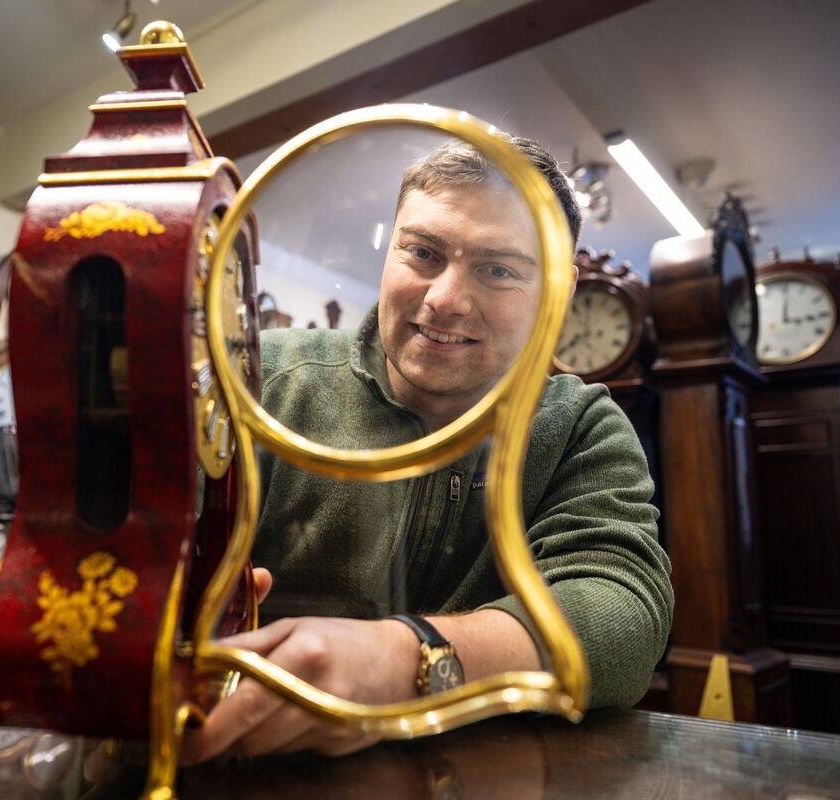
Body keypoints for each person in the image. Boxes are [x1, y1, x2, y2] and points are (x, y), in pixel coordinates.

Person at [181, 136, 673, 763]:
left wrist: (409, 659)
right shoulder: (253, 381)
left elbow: (625, 614)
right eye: (422, 252)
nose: (444, 299)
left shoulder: (579, 426)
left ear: (558, 289)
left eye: (498, 269)